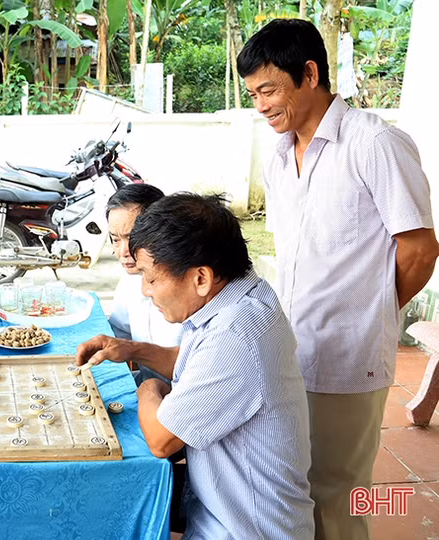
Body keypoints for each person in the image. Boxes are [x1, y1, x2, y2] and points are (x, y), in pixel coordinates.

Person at [237, 19, 439, 539]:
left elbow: (419, 249)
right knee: (298, 483)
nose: (260, 105)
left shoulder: (374, 143)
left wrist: (371, 311)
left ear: (309, 74)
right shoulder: (281, 156)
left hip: (350, 357)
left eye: (268, 90)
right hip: (294, 346)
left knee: (342, 493)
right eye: (253, 94)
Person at [76, 193, 314, 539]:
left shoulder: (235, 334)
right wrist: (130, 350)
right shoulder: (239, 295)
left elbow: (161, 439)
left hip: (245, 530)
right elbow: (195, 366)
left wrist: (149, 387)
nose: (145, 291)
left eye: (152, 279)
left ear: (200, 278)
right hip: (222, 511)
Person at [105, 183, 182, 383]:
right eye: (115, 240)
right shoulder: (129, 280)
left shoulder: (186, 286)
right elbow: (119, 332)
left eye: (132, 238)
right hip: (146, 383)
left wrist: (150, 390)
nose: (123, 252)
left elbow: (187, 367)